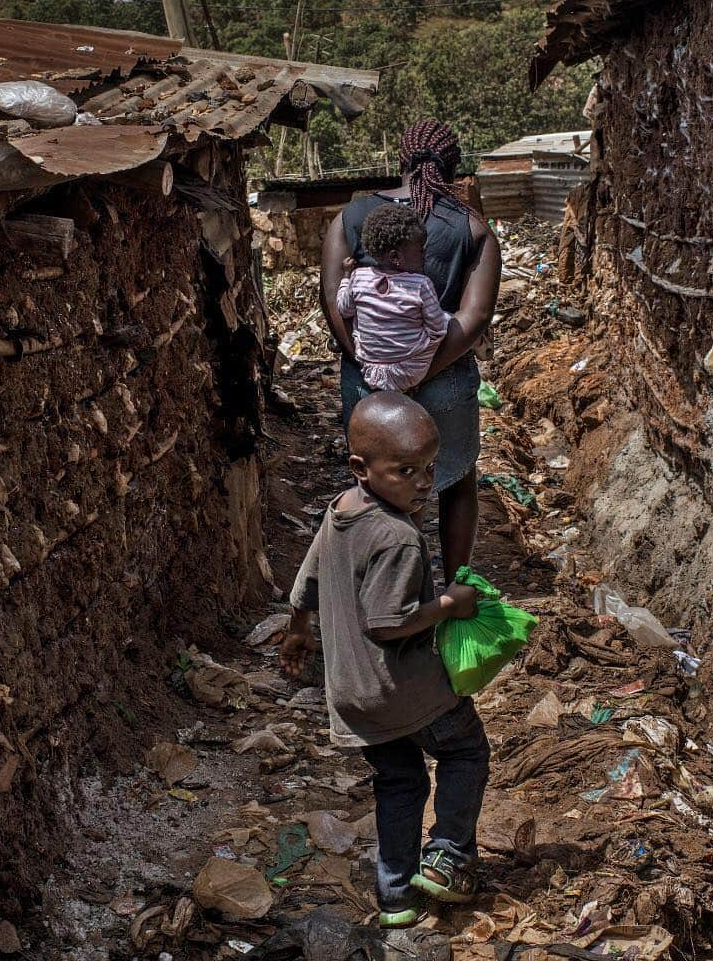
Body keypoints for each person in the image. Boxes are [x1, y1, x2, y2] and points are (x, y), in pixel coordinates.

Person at [281, 392, 490, 928]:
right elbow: (388, 622)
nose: (423, 483)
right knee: (465, 751)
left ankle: (396, 896)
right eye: (406, 471)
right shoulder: (398, 537)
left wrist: (298, 630)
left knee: (399, 782)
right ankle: (448, 857)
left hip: (355, 697)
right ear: (361, 467)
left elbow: (307, 576)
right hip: (405, 689)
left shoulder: (341, 511)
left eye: (430, 468)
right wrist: (451, 604)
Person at [320, 119, 502, 586]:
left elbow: (333, 299)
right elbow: (474, 316)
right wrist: (423, 368)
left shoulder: (349, 217)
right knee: (455, 478)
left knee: (384, 485)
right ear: (454, 166)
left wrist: (370, 362)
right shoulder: (472, 228)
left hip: (369, 383)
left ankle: (388, 586)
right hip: (444, 379)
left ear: (401, 160)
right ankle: (457, 583)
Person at [336, 203, 451, 393]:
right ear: (395, 257)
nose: (425, 254)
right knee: (449, 322)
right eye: (420, 249)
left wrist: (346, 277)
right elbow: (437, 329)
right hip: (410, 370)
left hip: (371, 371)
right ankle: (408, 385)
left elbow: (343, 309)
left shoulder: (358, 278)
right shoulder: (421, 284)